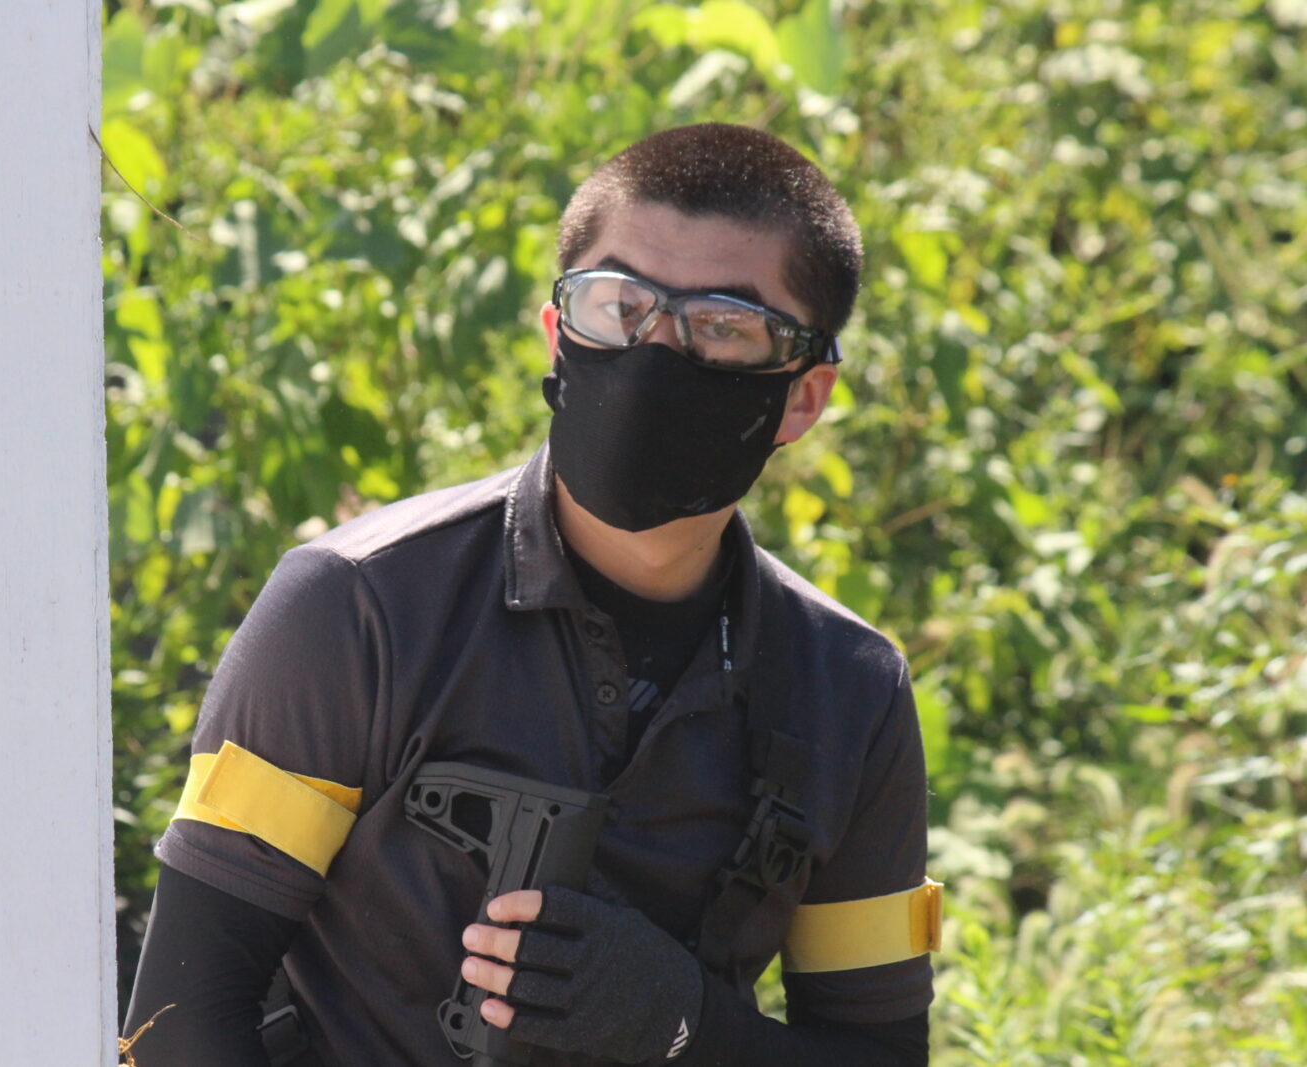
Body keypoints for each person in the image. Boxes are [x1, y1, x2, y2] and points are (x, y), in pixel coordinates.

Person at [122, 122, 940, 1066]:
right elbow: (176, 1027)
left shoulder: (849, 690)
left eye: (721, 326)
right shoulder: (356, 609)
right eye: (617, 305)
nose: (653, 351)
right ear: (557, 336)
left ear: (802, 396)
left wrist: (687, 1026)